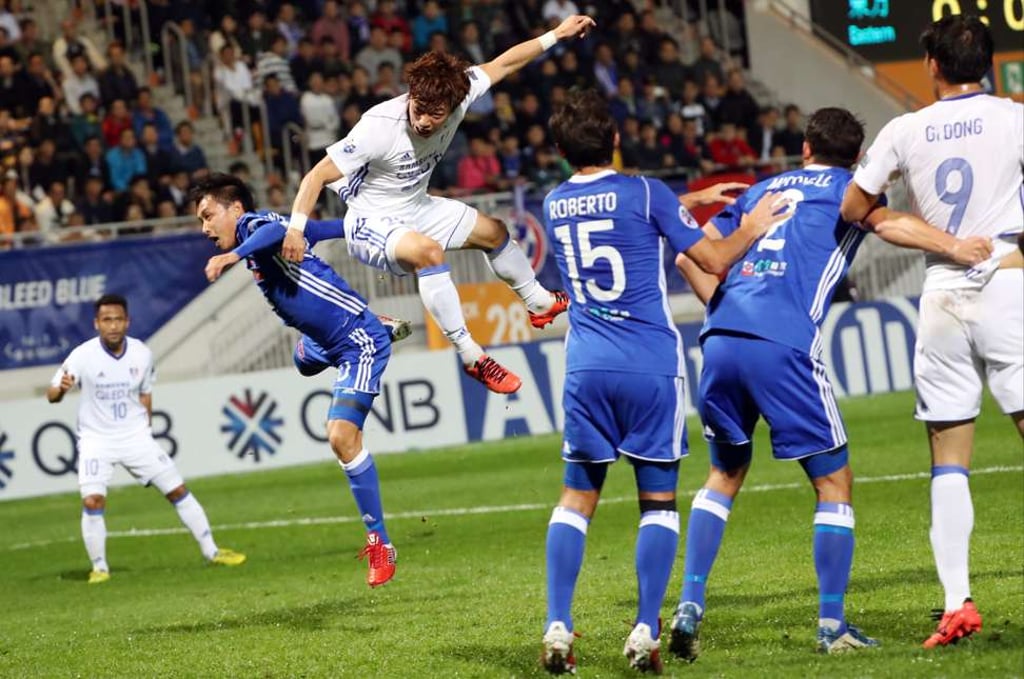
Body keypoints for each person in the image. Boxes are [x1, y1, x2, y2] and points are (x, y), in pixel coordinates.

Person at [670, 107, 996, 659]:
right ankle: (832, 624)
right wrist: (954, 246)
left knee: (723, 473)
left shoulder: (761, 189)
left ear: (804, 148)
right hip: (784, 342)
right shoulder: (852, 193)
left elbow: (688, 256)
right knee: (834, 482)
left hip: (720, 337)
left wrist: (726, 313)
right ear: (858, 157)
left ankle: (688, 606)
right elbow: (888, 225)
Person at [537, 88, 787, 676]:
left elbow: (618, 208)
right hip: (649, 365)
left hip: (585, 366)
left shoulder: (552, 202)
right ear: (617, 139)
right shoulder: (645, 191)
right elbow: (716, 256)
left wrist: (687, 199)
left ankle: (556, 621)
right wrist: (751, 224)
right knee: (658, 503)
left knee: (577, 498)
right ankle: (647, 630)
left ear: (560, 149)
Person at [281, 15, 596, 394]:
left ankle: (538, 301)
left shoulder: (462, 93)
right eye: (419, 109)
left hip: (416, 206)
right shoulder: (378, 126)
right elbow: (316, 175)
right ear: (411, 94)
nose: (426, 121)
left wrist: (556, 34)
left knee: (494, 232)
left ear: (455, 103)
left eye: (436, 114)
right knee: (430, 253)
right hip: (370, 222)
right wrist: (296, 229)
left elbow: (504, 63)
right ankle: (471, 355)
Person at [839, 15, 1024, 649]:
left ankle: (956, 603)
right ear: (990, 65)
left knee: (949, 461)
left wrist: (944, 242)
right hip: (1007, 279)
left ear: (931, 67)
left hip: (943, 291)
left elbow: (856, 209)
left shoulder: (904, 129)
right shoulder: (1013, 116)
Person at [196, 173, 410, 588]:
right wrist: (356, 226)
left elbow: (278, 230)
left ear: (235, 208)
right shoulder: (275, 225)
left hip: (356, 340)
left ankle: (380, 544)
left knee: (341, 437)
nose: (204, 228)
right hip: (321, 342)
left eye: (208, 216)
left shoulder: (255, 226)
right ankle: (370, 329)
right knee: (302, 361)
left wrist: (233, 255)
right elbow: (319, 229)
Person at [46, 295, 246, 584]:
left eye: (117, 319)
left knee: (177, 490)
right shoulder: (82, 355)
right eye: (106, 320)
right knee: (92, 500)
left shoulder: (141, 353)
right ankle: (100, 568)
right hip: (96, 440)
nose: (112, 326)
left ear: (127, 321)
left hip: (136, 438)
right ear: (97, 323)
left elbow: (145, 392)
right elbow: (52, 395)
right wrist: (62, 389)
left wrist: (146, 430)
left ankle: (212, 551)